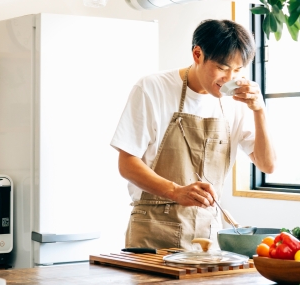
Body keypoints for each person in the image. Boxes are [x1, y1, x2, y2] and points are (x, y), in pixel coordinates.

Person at [110, 19, 276, 250]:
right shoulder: (152, 88)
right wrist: (175, 191)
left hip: (207, 236)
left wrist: (259, 110)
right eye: (222, 68)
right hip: (151, 232)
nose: (229, 79)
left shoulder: (237, 102)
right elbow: (127, 165)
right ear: (197, 54)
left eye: (237, 70)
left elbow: (268, 165)